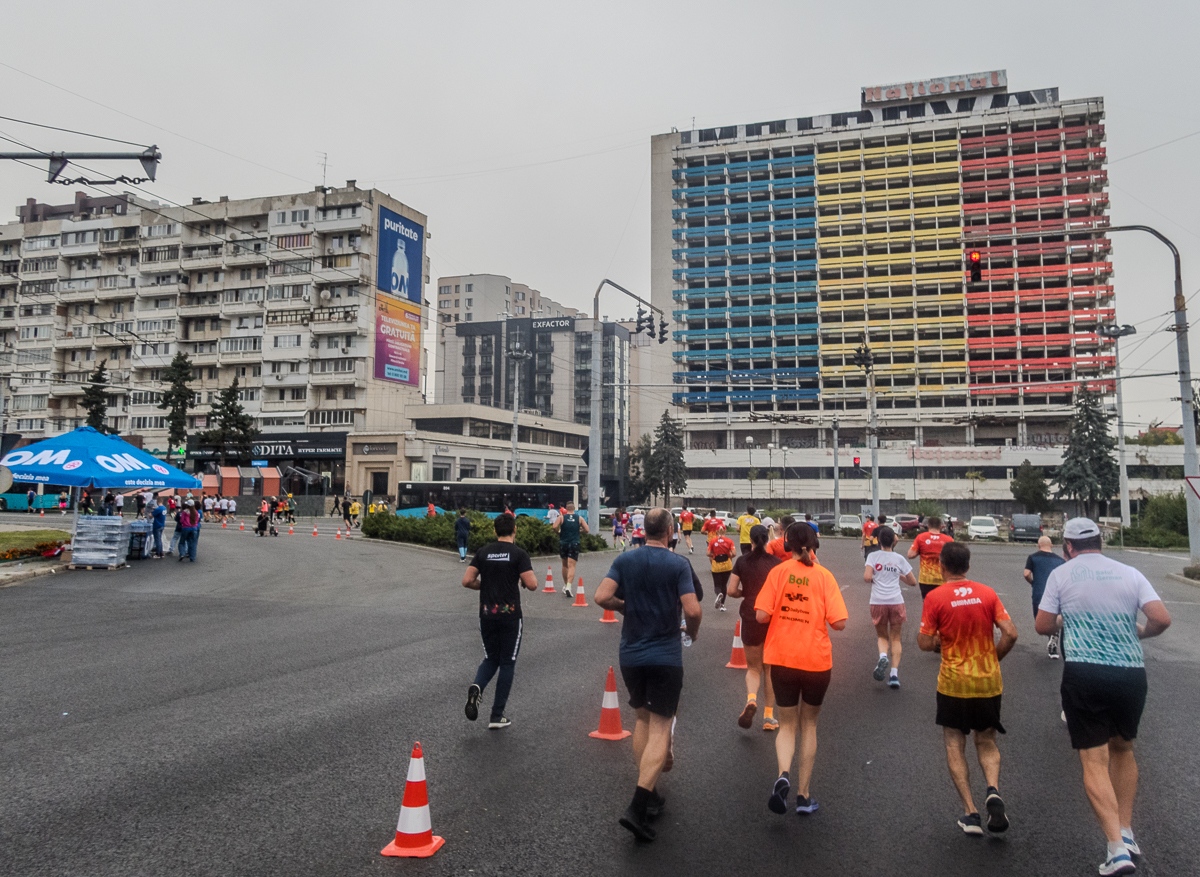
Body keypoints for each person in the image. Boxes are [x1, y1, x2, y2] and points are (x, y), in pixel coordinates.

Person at [1035, 518, 1171, 876]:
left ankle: (1115, 849)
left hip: (1085, 673)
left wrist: (1070, 620)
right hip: (1130, 674)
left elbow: (1043, 625)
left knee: (1093, 759)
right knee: (1124, 750)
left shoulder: (1062, 575)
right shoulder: (1129, 572)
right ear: (1100, 542)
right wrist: (1136, 635)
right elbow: (1161, 619)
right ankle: (1127, 833)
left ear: (1068, 547)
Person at [594, 508, 701, 842]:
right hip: (665, 656)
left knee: (641, 721)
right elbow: (694, 608)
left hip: (631, 655)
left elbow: (601, 596)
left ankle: (651, 794)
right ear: (670, 530)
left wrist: (626, 607)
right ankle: (638, 806)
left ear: (643, 530)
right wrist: (692, 631)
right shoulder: (678, 564)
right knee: (660, 727)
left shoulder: (626, 560)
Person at [918, 542, 1018, 837]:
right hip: (987, 682)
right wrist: (993, 658)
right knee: (986, 742)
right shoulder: (987, 593)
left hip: (953, 684)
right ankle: (993, 789)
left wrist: (938, 642)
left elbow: (924, 643)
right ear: (969, 566)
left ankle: (971, 813)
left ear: (941, 567)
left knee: (953, 742)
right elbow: (1011, 633)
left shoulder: (936, 597)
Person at [754, 522, 847, 816]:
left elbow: (759, 616)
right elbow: (840, 622)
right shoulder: (824, 576)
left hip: (781, 658)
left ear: (786, 544)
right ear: (815, 543)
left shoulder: (777, 573)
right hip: (816, 661)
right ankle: (804, 797)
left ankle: (783, 776)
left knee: (787, 724)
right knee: (810, 726)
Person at [463, 513, 538, 730]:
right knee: (507, 662)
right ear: (515, 530)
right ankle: (497, 715)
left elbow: (467, 580)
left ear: (494, 531)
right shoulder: (519, 554)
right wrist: (521, 581)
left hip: (486, 614)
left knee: (490, 658)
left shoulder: (483, 552)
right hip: (510, 616)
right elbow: (532, 584)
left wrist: (485, 586)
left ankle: (477, 686)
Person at [727, 524, 781, 731]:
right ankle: (769, 717)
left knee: (753, 668)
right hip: (771, 617)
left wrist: (746, 593)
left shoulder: (742, 561)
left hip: (750, 613)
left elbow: (731, 590)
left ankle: (751, 700)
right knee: (770, 669)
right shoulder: (776, 564)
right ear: (767, 539)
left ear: (750, 540)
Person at [864, 526, 917, 688]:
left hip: (878, 601)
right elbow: (913, 582)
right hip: (896, 601)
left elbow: (867, 577)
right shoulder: (899, 559)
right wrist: (897, 575)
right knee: (896, 638)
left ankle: (882, 656)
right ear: (894, 541)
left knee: (882, 636)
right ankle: (894, 674)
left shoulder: (872, 556)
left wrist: (876, 578)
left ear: (879, 540)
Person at [1024, 535, 1066, 659]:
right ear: (1051, 545)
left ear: (1038, 545)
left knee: (1040, 620)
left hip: (1039, 593)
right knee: (1054, 617)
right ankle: (1054, 637)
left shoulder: (1033, 557)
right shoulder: (1060, 560)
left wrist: (1033, 582)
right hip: (1056, 595)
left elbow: (1026, 574)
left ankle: (1051, 635)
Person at [909, 516, 955, 602]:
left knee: (928, 604)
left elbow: (910, 555)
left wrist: (921, 551)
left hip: (926, 579)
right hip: (943, 579)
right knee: (943, 604)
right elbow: (954, 559)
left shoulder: (921, 537)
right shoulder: (948, 539)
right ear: (941, 526)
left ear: (928, 525)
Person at [553, 501, 589, 598]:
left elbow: (554, 526)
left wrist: (558, 532)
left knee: (564, 565)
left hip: (563, 543)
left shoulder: (561, 518)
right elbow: (587, 530)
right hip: (574, 543)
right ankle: (569, 586)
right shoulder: (579, 518)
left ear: (566, 508)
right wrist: (580, 532)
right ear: (574, 509)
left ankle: (565, 585)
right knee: (572, 566)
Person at [708, 529, 735, 611]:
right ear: (725, 532)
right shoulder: (729, 541)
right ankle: (722, 605)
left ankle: (718, 593)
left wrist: (715, 555)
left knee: (717, 584)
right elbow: (734, 553)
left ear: (716, 532)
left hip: (716, 566)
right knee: (724, 584)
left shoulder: (712, 541)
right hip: (727, 566)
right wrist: (728, 556)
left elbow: (708, 553)